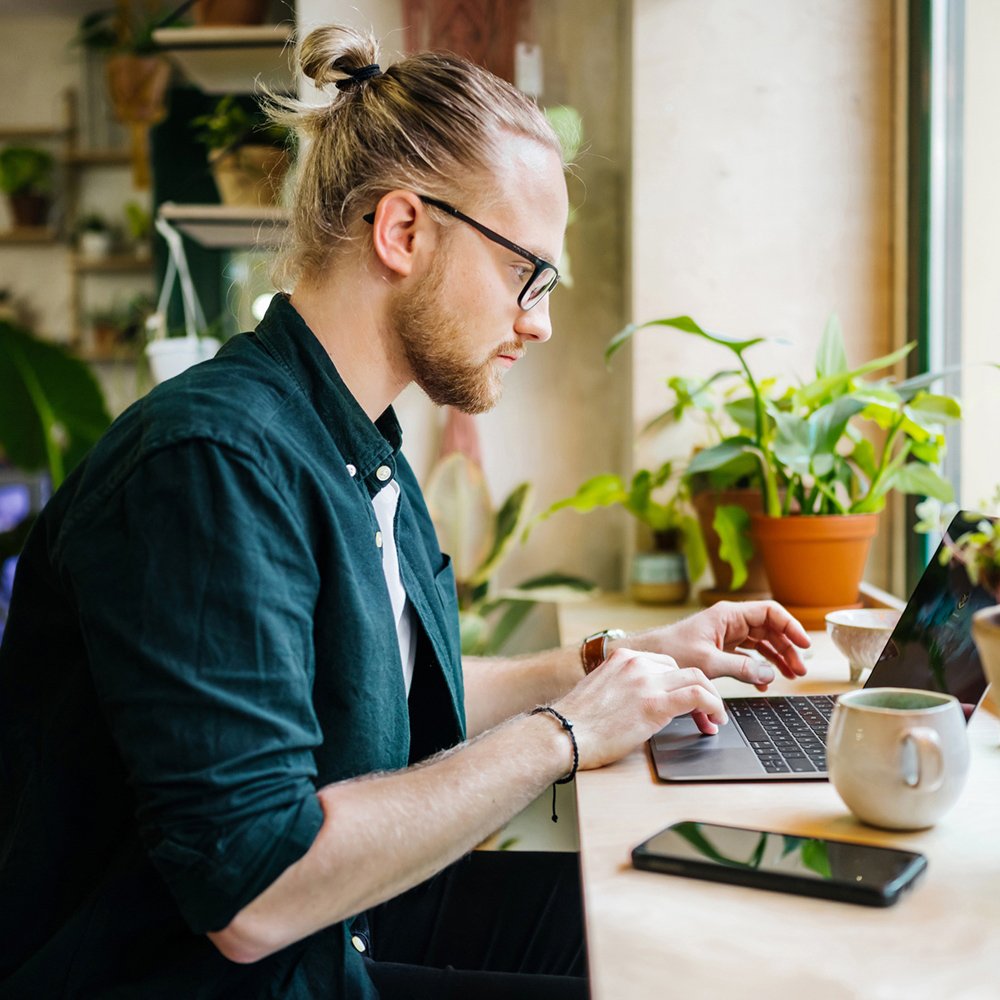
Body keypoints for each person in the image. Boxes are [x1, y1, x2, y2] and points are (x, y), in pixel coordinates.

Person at [0, 23, 810, 1000]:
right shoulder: (211, 465)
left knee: (670, 933)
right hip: (205, 971)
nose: (540, 318)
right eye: (527, 271)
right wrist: (564, 729)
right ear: (403, 231)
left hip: (337, 930)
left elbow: (366, 681)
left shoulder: (355, 440)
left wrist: (615, 660)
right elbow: (252, 892)